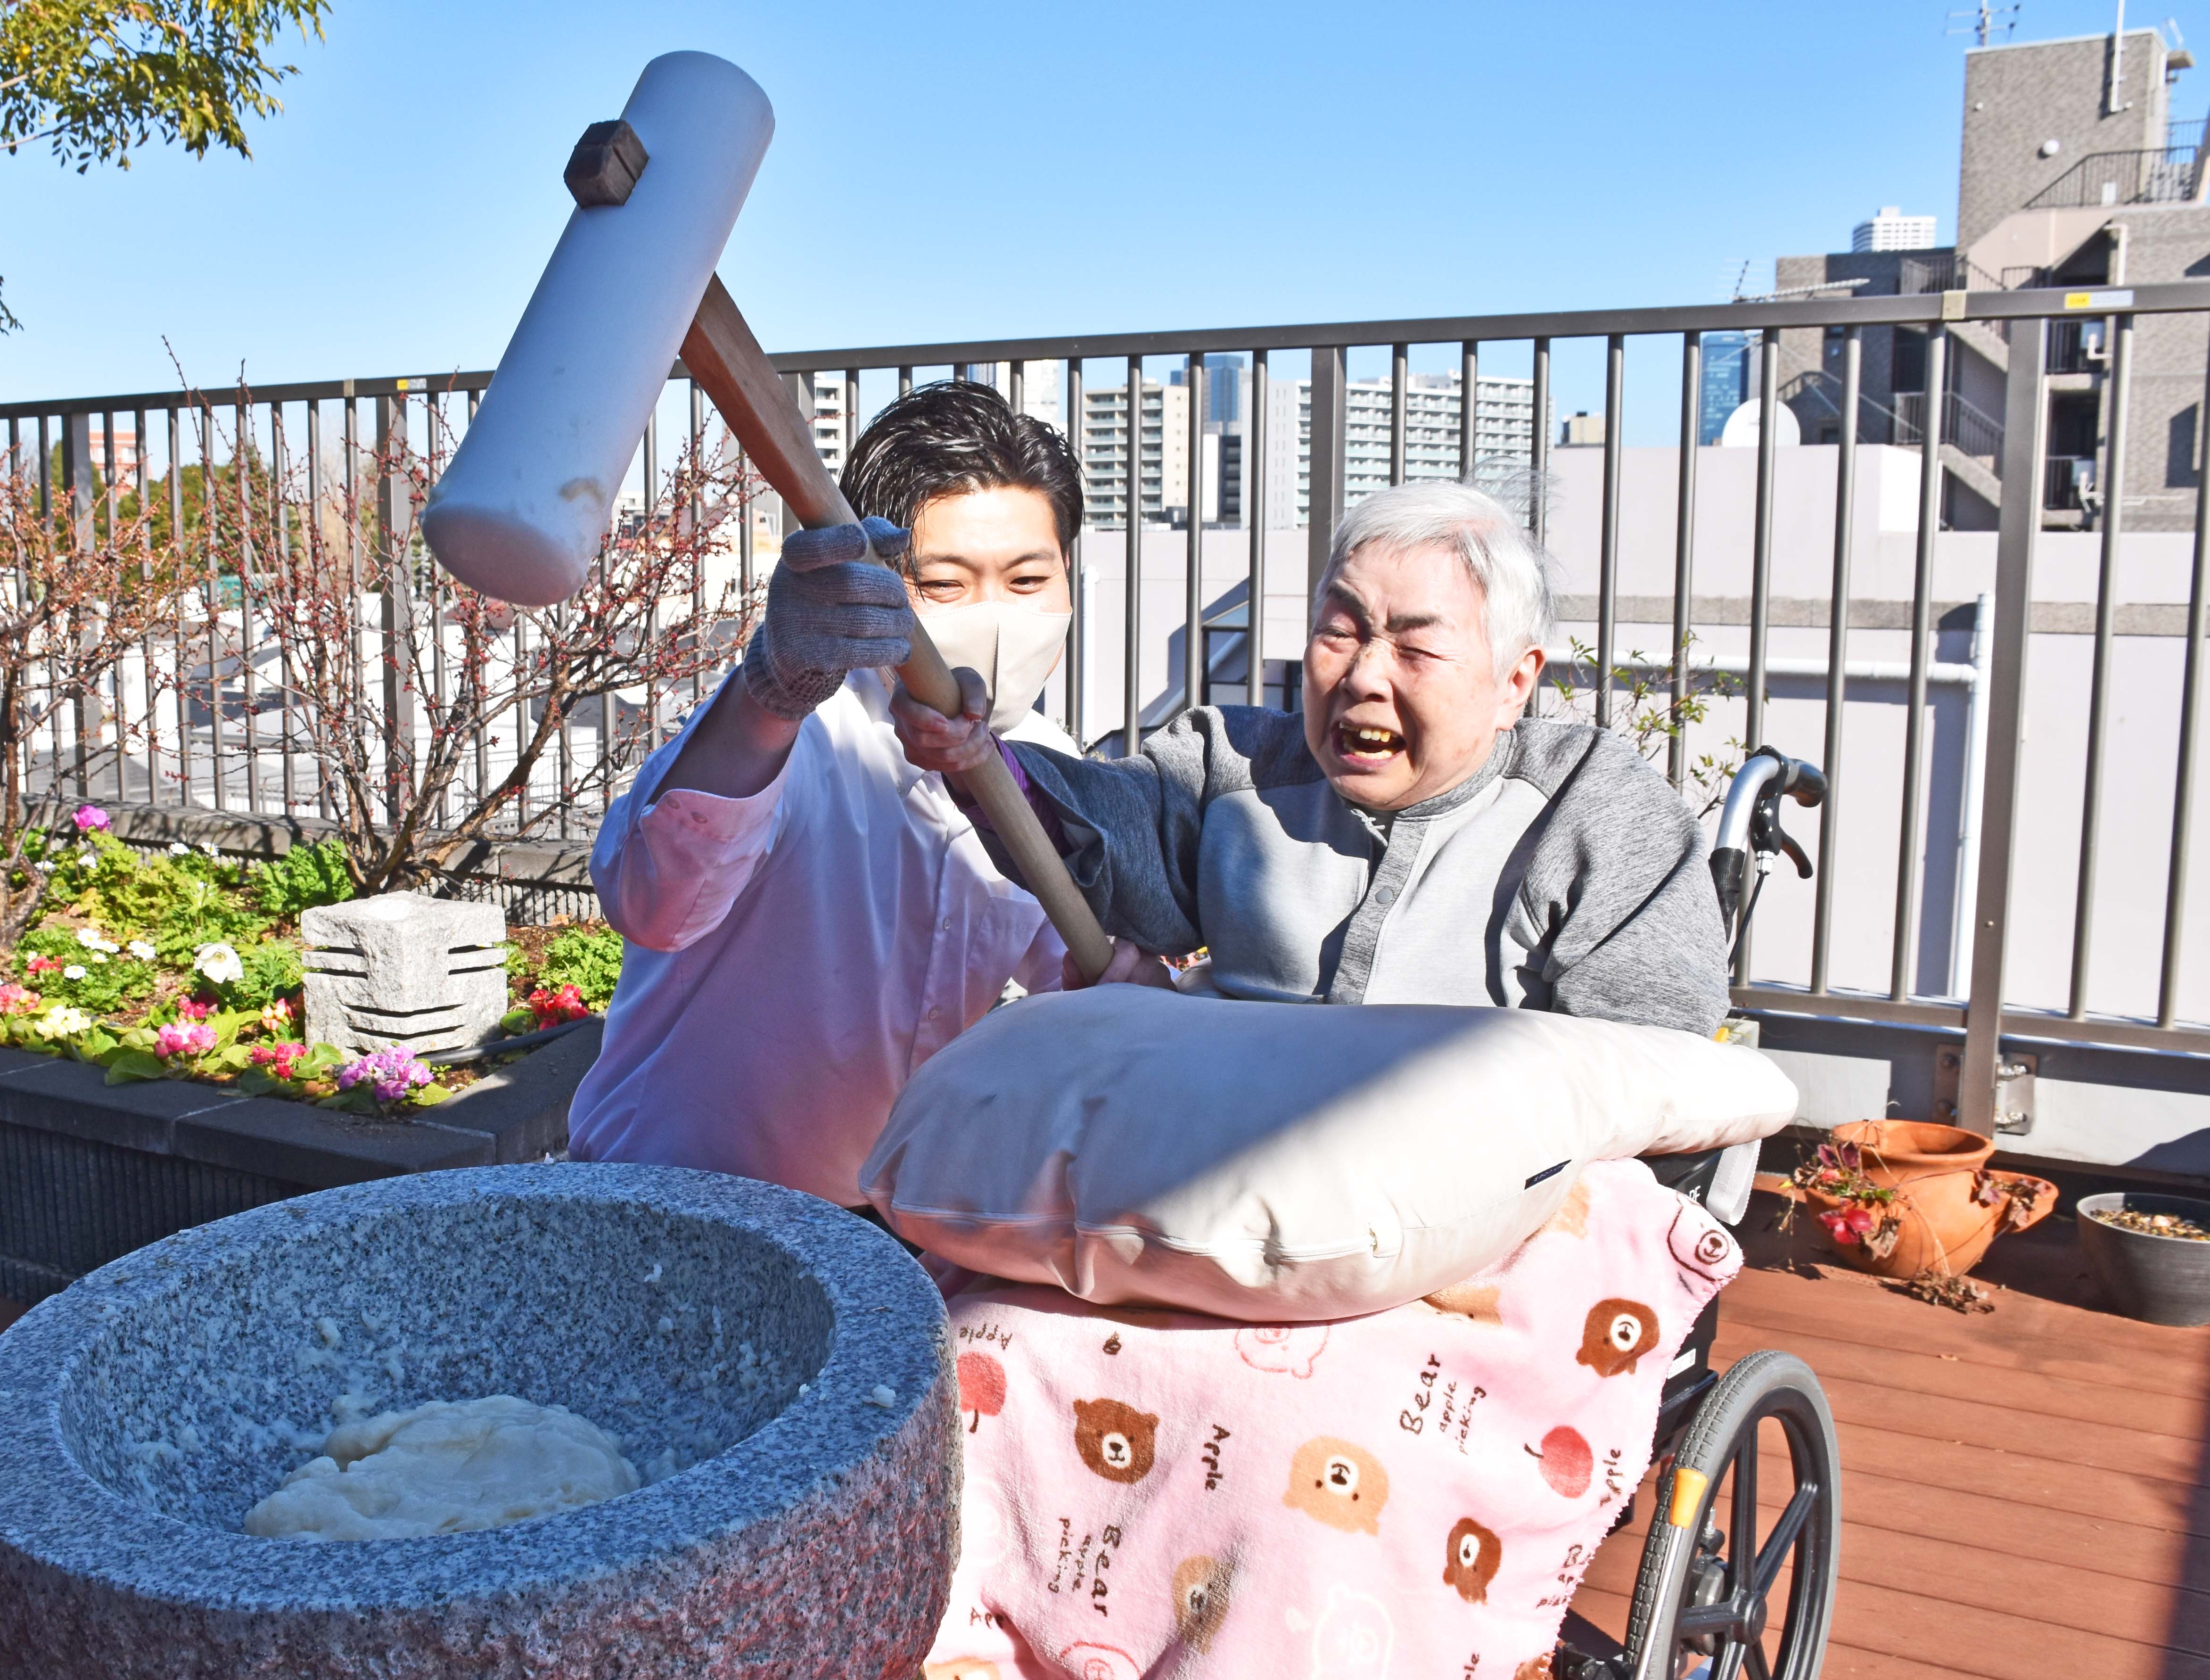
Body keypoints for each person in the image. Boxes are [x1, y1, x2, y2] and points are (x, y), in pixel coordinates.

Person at [567, 381, 1151, 1205]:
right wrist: (770, 693)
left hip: (881, 1222)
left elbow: (1083, 971)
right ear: (879, 579)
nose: (994, 617)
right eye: (946, 584)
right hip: (666, 1198)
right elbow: (654, 903)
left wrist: (1141, 987)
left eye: (1027, 581)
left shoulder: (1050, 771)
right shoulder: (796, 728)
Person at [889, 478, 1729, 1036]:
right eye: (1341, 631)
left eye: (1414, 648)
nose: (1362, 673)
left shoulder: (1593, 810)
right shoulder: (1244, 762)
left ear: (1516, 682)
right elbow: (1111, 825)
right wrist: (985, 763)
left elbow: (1646, 1068)